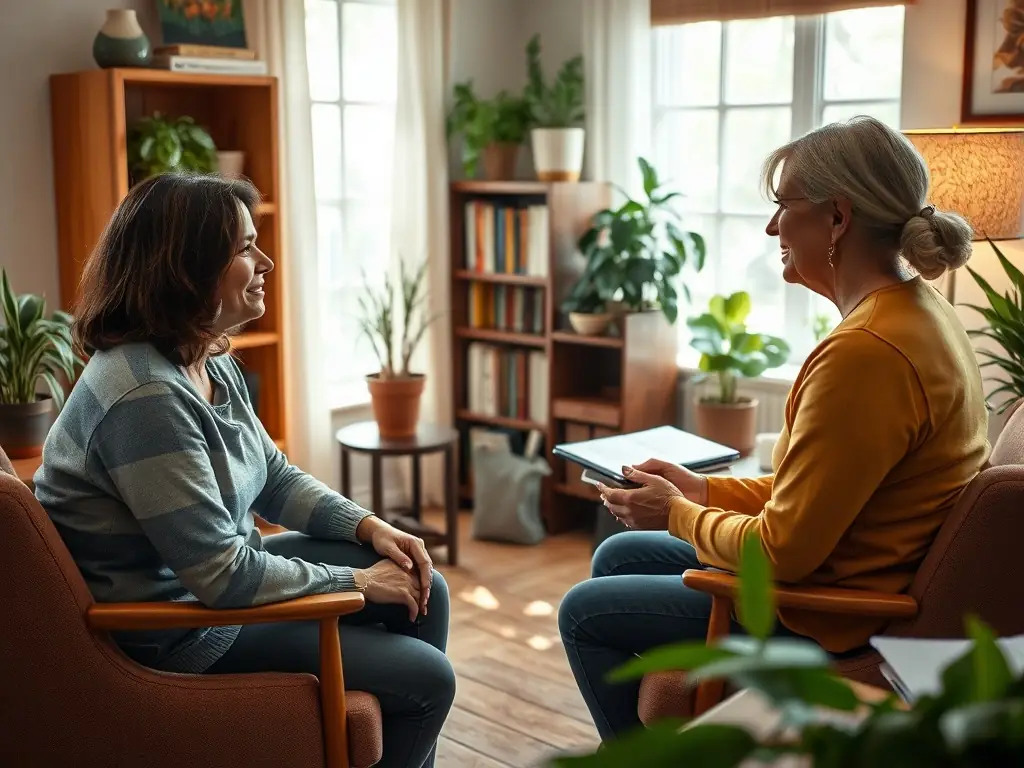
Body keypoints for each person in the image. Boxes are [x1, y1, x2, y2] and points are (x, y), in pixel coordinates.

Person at [558, 116, 991, 741]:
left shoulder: (866, 353)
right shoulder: (919, 312)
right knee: (618, 552)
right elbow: (819, 493)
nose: (770, 227)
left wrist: (677, 514)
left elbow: (785, 551)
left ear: (837, 218)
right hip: (846, 572)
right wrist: (699, 491)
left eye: (784, 206)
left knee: (582, 612)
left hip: (825, 615)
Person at [34, 173, 455, 768]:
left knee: (424, 587)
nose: (267, 261)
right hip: (181, 630)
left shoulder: (205, 356)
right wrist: (357, 582)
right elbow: (220, 575)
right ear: (185, 266)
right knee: (427, 678)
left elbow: (275, 478)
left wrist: (368, 529)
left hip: (212, 597)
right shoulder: (143, 396)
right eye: (243, 248)